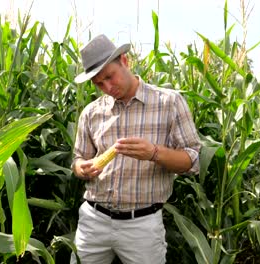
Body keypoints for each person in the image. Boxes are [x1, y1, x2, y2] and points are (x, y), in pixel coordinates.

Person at [70, 34, 200, 264]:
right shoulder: (91, 112)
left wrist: (154, 153)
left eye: (110, 76)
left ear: (124, 61)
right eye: (99, 83)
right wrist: (83, 169)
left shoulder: (169, 102)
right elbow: (79, 159)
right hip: (93, 220)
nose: (108, 87)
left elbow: (192, 160)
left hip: (142, 225)